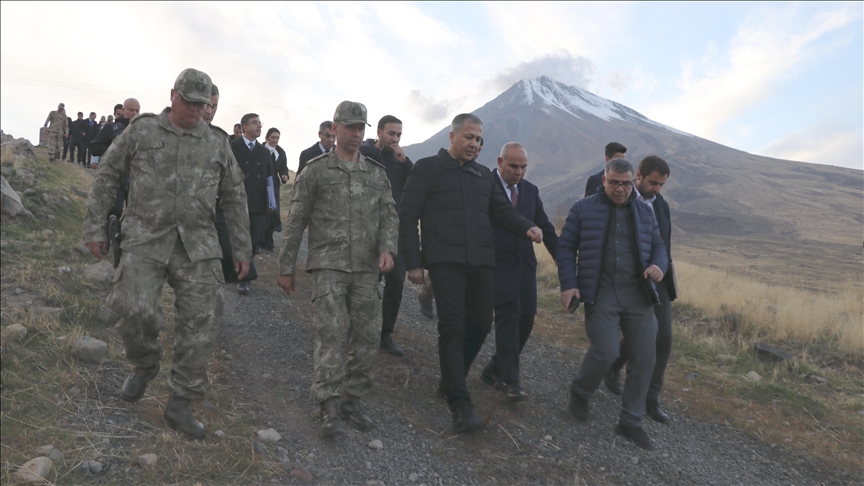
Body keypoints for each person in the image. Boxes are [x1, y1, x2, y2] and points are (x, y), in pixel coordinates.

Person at [82, 68, 252, 439]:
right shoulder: (142, 131)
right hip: (145, 237)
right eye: (189, 102)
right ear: (173, 95)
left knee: (201, 324)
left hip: (198, 245)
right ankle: (144, 365)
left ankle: (180, 403)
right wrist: (95, 227)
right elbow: (109, 173)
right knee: (132, 307)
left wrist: (242, 249)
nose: (196, 110)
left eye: (202, 105)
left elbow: (236, 196)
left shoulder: (217, 143)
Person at [399, 113, 543, 433]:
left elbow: (502, 211)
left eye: (479, 139)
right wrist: (413, 262)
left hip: (481, 262)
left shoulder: (483, 176)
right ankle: (460, 405)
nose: (475, 144)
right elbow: (407, 216)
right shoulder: (427, 169)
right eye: (469, 137)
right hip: (444, 261)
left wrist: (527, 227)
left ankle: (451, 381)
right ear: (452, 137)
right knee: (453, 326)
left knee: (479, 325)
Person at [277, 101, 398, 439]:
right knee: (330, 335)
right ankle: (329, 404)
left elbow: (390, 215)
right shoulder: (316, 170)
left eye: (361, 128)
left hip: (365, 268)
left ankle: (352, 399)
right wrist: (287, 267)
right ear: (336, 128)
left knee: (368, 336)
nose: (357, 134)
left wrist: (388, 248)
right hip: (328, 265)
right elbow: (296, 220)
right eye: (350, 127)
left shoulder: (376, 173)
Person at [557, 158, 667, 450]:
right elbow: (566, 246)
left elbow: (659, 247)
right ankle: (581, 391)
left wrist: (658, 265)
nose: (620, 189)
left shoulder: (645, 211)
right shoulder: (582, 209)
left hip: (638, 295)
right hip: (601, 292)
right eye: (614, 183)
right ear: (604, 180)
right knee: (605, 352)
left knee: (645, 357)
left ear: (634, 182)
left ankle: (630, 421)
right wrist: (569, 284)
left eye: (626, 184)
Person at [479, 142, 558, 401]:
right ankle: (511, 381)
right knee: (508, 320)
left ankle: (494, 369)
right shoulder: (484, 184)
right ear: (500, 162)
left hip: (524, 268)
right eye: (513, 166)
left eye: (524, 167)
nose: (519, 172)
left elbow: (544, 226)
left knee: (525, 321)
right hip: (495, 266)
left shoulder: (530, 191)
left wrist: (562, 259)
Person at [604, 156, 676, 424]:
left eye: (662, 185)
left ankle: (650, 399)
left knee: (663, 337)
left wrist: (661, 268)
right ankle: (612, 366)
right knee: (640, 336)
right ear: (639, 176)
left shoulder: (662, 206)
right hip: (627, 281)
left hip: (658, 281)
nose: (657, 189)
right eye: (653, 183)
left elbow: (664, 246)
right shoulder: (620, 198)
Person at [359, 115, 413, 357]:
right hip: (367, 229)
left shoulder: (400, 161)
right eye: (391, 133)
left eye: (399, 135)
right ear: (379, 131)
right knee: (367, 281)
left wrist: (406, 162)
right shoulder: (363, 153)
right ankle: (358, 328)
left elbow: (415, 187)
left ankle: (385, 334)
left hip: (395, 231)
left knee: (396, 280)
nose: (395, 139)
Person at [205, 85, 260, 286]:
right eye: (205, 105)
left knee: (227, 252)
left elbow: (235, 191)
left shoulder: (220, 141)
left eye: (214, 106)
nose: (209, 111)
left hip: (217, 207)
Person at [230, 113, 276, 294]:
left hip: (257, 203)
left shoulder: (264, 152)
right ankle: (243, 278)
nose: (259, 126)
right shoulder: (232, 147)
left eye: (260, 123)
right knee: (236, 240)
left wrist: (271, 201)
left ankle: (244, 272)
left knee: (253, 240)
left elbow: (269, 177)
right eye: (255, 123)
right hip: (236, 201)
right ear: (244, 127)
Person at [90, 98, 141, 170]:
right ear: (123, 110)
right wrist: (115, 149)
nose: (134, 113)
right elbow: (93, 148)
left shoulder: (142, 130)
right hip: (113, 172)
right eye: (131, 110)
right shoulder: (111, 127)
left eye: (137, 110)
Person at [263, 127, 289, 252]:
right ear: (267, 137)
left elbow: (283, 168)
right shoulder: (260, 149)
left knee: (272, 213)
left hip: (273, 186)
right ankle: (257, 241)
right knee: (260, 213)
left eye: (277, 138)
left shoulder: (281, 152)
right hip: (260, 185)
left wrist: (284, 176)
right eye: (273, 137)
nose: (275, 140)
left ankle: (269, 241)